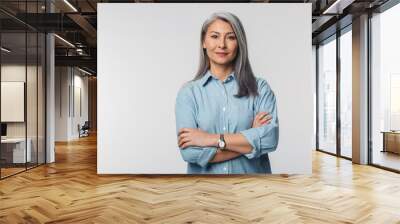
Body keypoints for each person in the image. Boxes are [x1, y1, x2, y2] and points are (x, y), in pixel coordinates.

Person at [175, 11, 279, 174]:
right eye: (215, 36)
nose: (222, 45)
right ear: (204, 41)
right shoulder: (188, 93)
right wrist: (249, 140)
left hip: (253, 191)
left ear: (239, 42)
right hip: (204, 193)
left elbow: (269, 139)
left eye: (230, 37)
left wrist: (209, 139)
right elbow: (189, 152)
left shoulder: (260, 88)